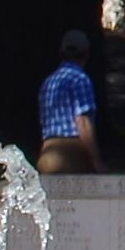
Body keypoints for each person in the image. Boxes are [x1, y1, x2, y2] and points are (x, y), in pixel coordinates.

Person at [36, 28, 103, 174]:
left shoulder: (49, 81)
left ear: (61, 53)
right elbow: (83, 122)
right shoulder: (80, 79)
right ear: (86, 54)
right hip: (71, 154)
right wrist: (96, 161)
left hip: (47, 152)